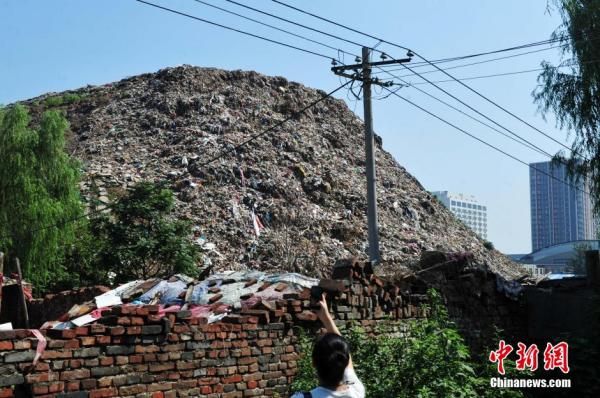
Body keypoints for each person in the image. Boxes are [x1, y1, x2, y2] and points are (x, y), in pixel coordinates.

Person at [290, 294, 365, 398]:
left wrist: (325, 317)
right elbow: (344, 352)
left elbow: (345, 353)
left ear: (313, 363)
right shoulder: (356, 391)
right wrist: (326, 317)